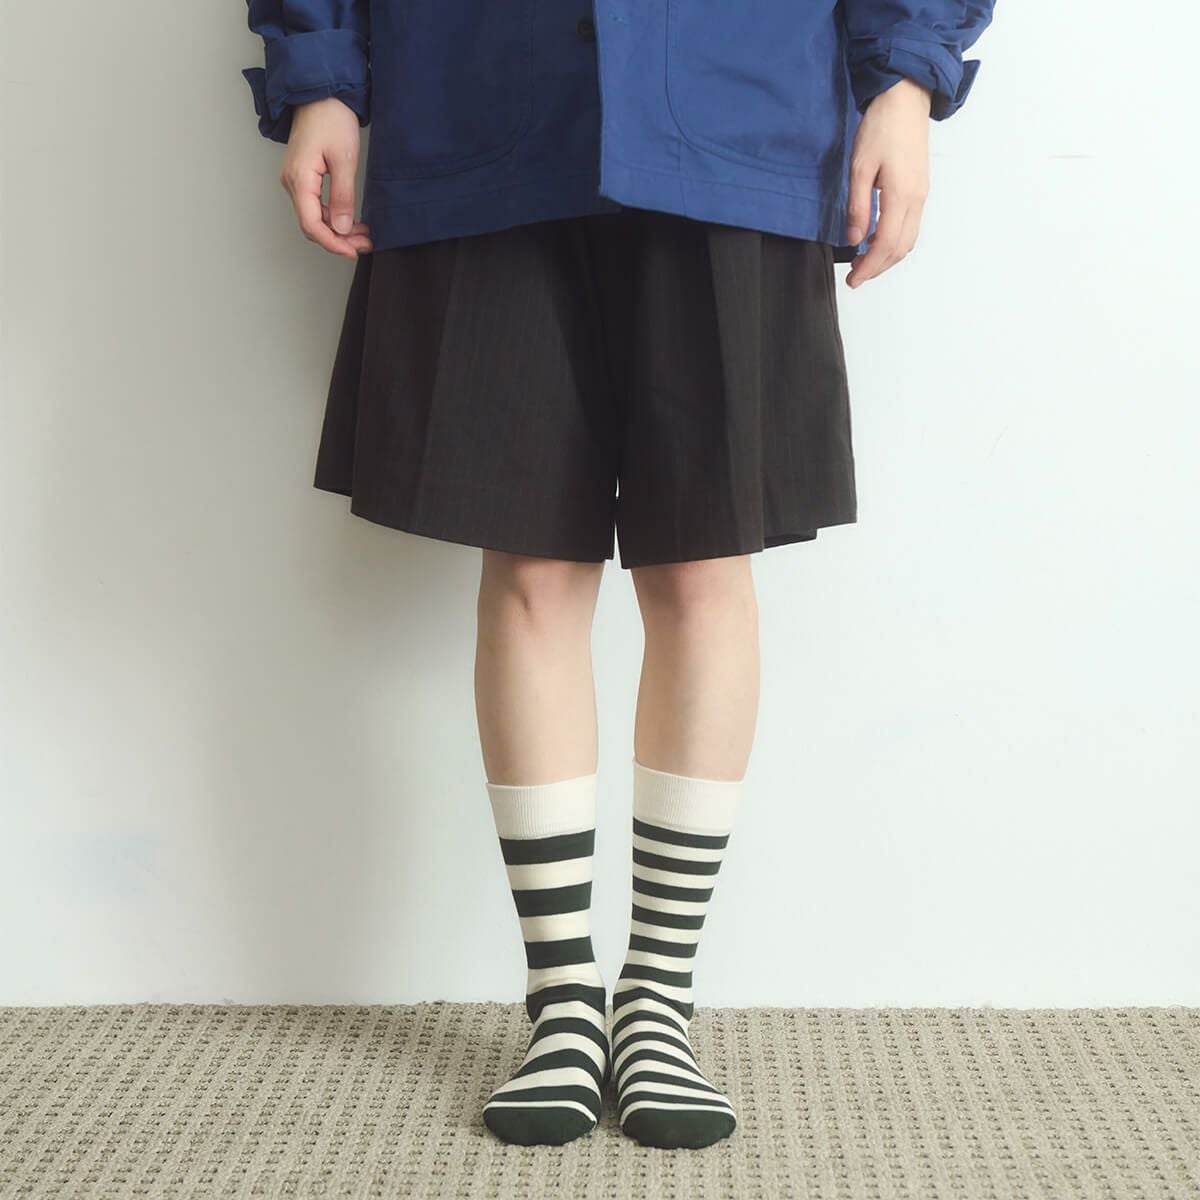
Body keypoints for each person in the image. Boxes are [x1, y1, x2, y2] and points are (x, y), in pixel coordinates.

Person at [242, 0, 995, 1151]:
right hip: (481, 95)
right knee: (531, 565)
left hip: (736, 99)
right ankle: (562, 1001)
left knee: (701, 567)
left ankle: (656, 1001)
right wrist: (323, 77)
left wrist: (905, 82)